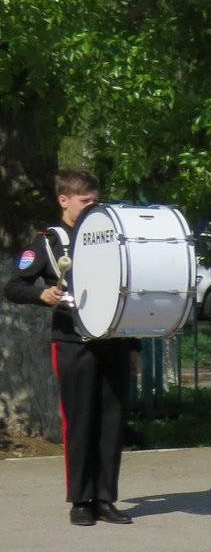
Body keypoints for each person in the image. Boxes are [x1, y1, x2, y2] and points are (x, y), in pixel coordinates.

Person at [5, 167, 134, 525]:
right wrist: (41, 294)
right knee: (79, 421)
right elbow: (13, 287)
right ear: (64, 200)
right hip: (72, 340)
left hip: (113, 340)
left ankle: (106, 498)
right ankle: (81, 500)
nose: (94, 206)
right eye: (86, 201)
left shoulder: (112, 237)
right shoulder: (48, 240)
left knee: (111, 420)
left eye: (96, 200)